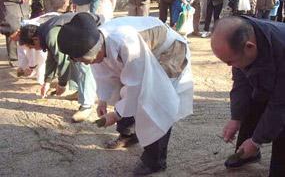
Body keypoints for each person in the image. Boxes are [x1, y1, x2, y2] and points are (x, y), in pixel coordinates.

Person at [57, 13, 194, 175]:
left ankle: (155, 161)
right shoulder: (93, 41)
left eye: (87, 60)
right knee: (123, 91)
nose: (88, 63)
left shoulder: (127, 42)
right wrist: (103, 100)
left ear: (95, 49)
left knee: (155, 103)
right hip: (142, 58)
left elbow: (136, 87)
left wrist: (115, 114)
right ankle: (129, 133)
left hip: (168, 52)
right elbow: (104, 75)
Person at [211, 16, 285, 176]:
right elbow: (241, 83)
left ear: (250, 47)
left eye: (230, 62)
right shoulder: (242, 41)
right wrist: (236, 117)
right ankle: (247, 153)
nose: (229, 66)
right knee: (254, 98)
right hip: (273, 70)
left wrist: (256, 140)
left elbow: (280, 105)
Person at [19, 13, 99, 122]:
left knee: (81, 62)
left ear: (35, 39)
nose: (34, 49)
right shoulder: (44, 32)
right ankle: (80, 93)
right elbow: (52, 58)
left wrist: (62, 84)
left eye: (31, 46)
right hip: (82, 35)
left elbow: (63, 60)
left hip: (94, 29)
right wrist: (47, 82)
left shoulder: (50, 35)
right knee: (74, 59)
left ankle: (87, 105)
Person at [0, 0, 30, 67]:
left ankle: (26, 57)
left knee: (25, 30)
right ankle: (13, 58)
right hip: (10, 8)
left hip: (23, 7)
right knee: (12, 30)